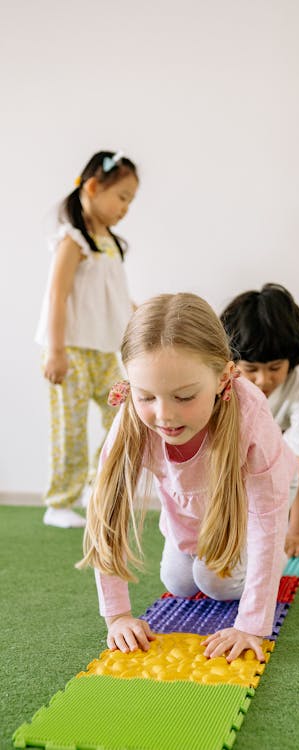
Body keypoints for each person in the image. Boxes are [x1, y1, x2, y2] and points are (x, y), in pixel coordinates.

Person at [77, 293, 297, 662]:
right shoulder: (133, 420)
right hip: (189, 506)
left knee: (215, 582)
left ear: (224, 376)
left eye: (184, 396)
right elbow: (107, 515)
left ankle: (243, 562)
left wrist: (251, 625)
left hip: (251, 508)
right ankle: (198, 549)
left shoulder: (249, 420)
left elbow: (268, 523)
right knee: (178, 583)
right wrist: (117, 617)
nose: (164, 415)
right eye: (147, 396)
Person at [36, 150, 138, 528]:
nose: (126, 207)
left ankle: (99, 488)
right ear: (93, 188)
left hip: (103, 350)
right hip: (71, 350)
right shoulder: (73, 240)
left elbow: (110, 295)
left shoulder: (108, 242)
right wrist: (57, 350)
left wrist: (136, 311)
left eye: (131, 200)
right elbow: (56, 296)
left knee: (123, 415)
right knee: (70, 427)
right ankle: (59, 502)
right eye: (122, 197)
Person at [220, 283, 299, 558]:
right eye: (251, 369)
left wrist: (298, 531)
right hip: (244, 445)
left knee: (288, 468)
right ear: (233, 362)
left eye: (275, 368)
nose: (264, 380)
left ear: (290, 361)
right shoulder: (224, 382)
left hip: (287, 448)